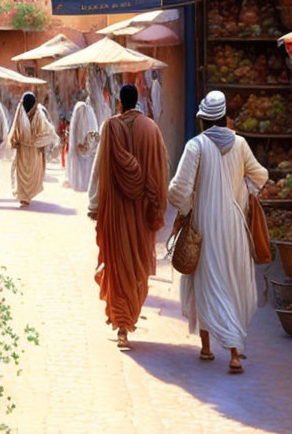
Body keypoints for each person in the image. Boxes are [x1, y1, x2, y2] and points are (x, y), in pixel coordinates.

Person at [167, 90, 268, 373]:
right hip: (235, 227)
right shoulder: (241, 144)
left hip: (204, 224)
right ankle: (233, 352)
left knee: (206, 283)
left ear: (203, 120)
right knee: (230, 283)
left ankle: (210, 347)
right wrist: (242, 194)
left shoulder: (195, 146)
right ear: (225, 118)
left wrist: (187, 208)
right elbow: (260, 176)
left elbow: (178, 190)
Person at [87, 84, 168, 350]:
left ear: (120, 103)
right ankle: (126, 320)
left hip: (116, 212)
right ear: (139, 101)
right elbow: (160, 172)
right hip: (142, 213)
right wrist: (157, 208)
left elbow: (99, 168)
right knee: (136, 269)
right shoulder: (152, 130)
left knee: (118, 265)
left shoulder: (110, 128)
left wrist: (94, 204)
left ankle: (122, 327)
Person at [7, 91, 58, 208]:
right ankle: (24, 197)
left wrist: (37, 142)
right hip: (23, 149)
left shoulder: (39, 115)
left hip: (33, 151)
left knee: (31, 174)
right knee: (22, 174)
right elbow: (16, 129)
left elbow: (47, 133)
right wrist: (15, 141)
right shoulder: (20, 114)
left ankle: (27, 196)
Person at [66, 98, 99, 192]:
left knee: (81, 165)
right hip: (85, 147)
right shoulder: (88, 114)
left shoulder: (81, 113)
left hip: (82, 146)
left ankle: (81, 185)